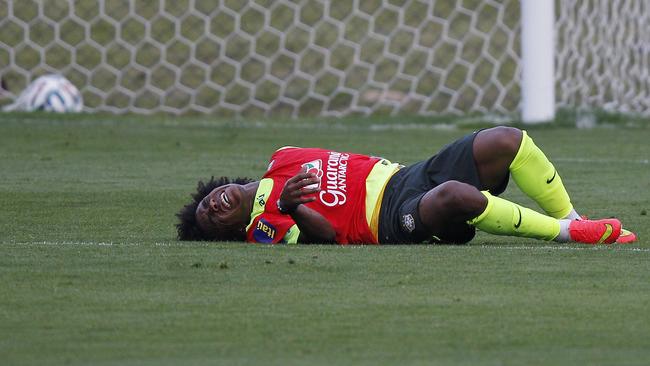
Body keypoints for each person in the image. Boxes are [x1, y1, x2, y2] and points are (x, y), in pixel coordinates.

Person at [176, 127, 636, 245]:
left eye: (208, 200)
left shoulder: (284, 157)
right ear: (231, 231)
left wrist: (281, 188)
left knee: (506, 140)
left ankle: (572, 216)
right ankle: (567, 235)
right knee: (456, 195)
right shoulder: (265, 228)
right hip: (392, 221)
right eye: (211, 218)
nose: (214, 205)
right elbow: (328, 235)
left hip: (405, 175)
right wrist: (292, 207)